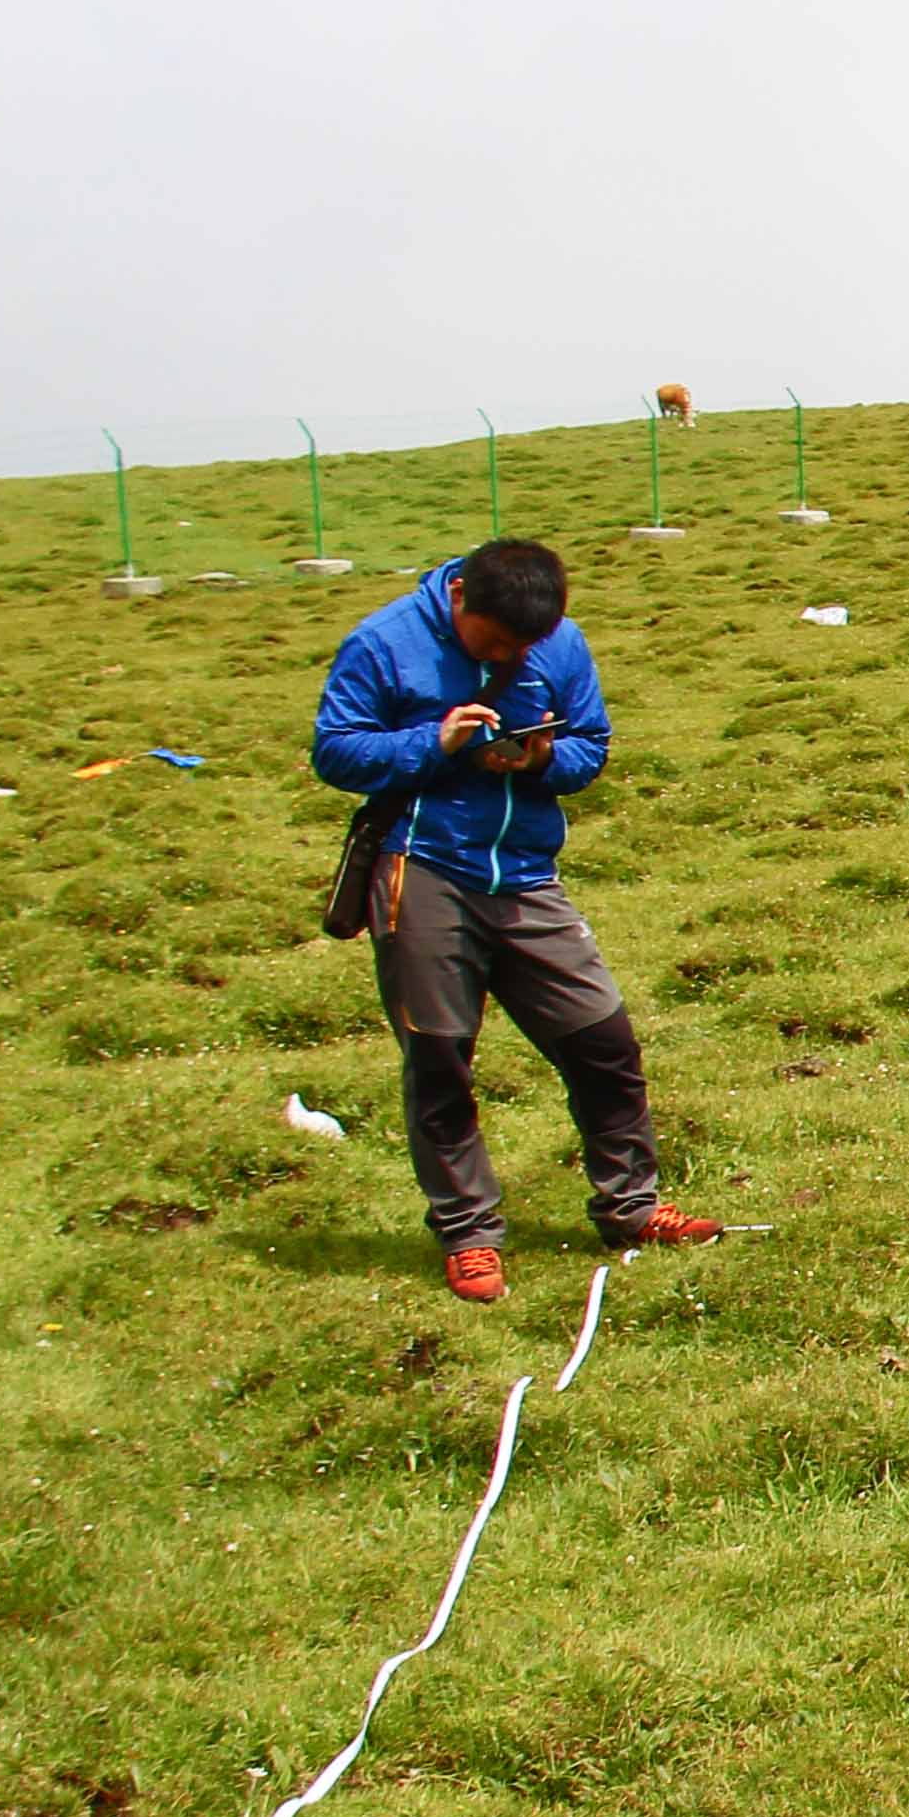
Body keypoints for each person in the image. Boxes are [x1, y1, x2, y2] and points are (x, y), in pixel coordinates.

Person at [309, 539, 721, 1303]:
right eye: (495, 643)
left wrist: (536, 762)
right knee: (440, 1061)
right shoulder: (383, 643)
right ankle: (468, 1235)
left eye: (523, 647)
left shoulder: (559, 642)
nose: (509, 656)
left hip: (527, 874)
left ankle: (631, 1208)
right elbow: (335, 752)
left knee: (602, 1042)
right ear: (459, 597)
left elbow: (590, 747)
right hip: (424, 869)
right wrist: (434, 743)